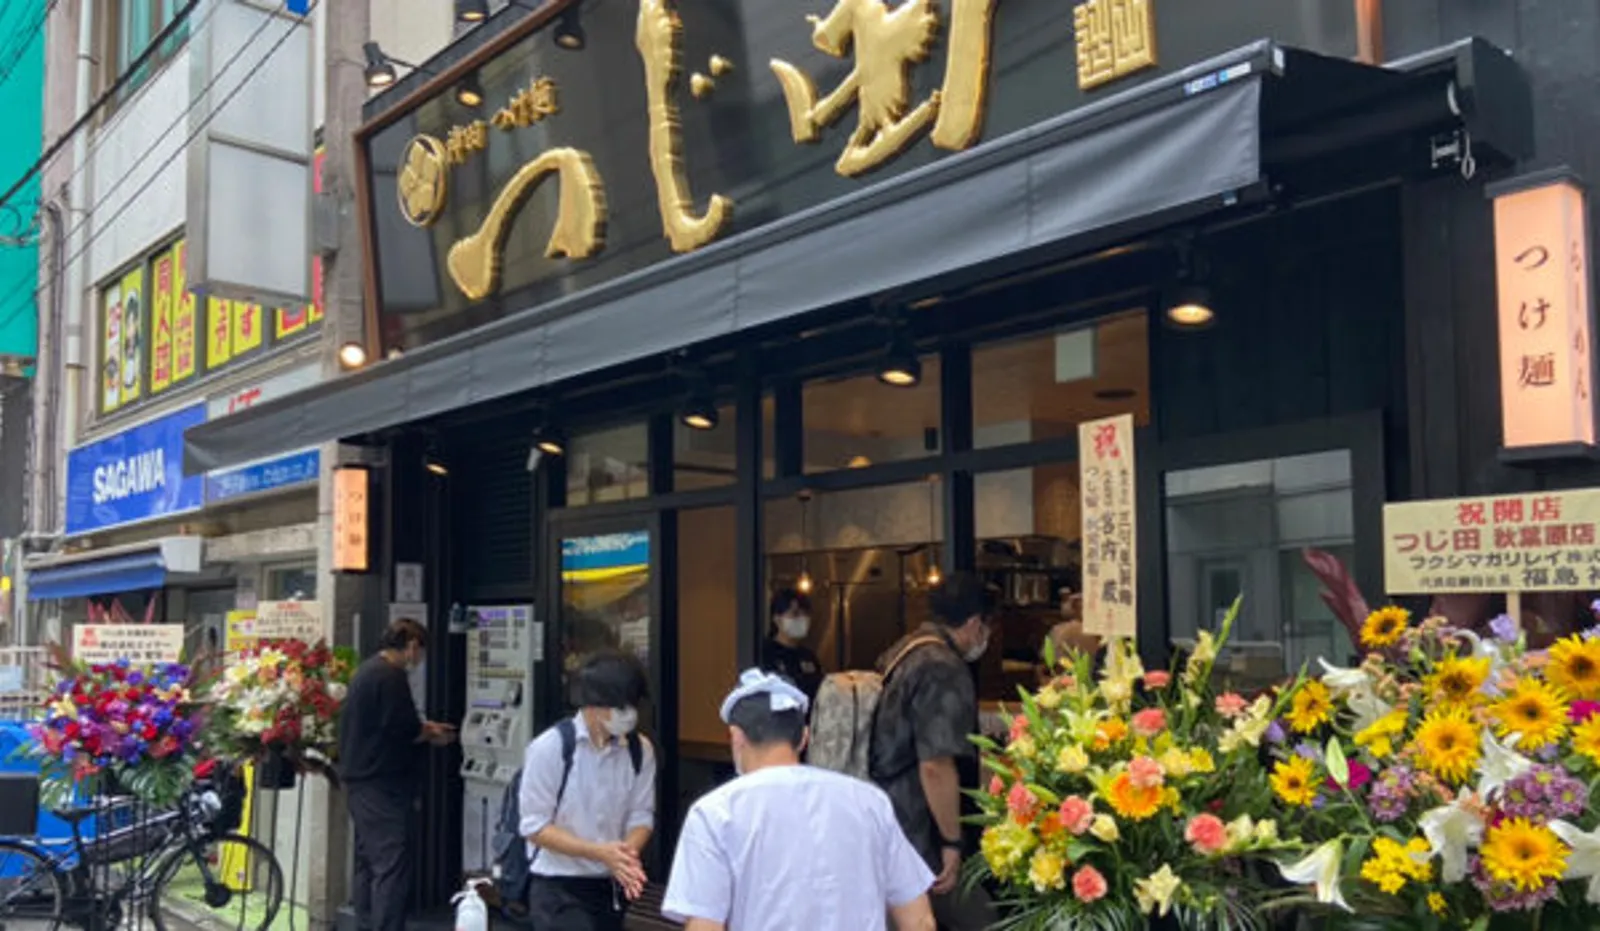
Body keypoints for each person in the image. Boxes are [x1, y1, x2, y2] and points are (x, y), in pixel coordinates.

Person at [662, 669, 936, 931]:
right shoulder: (870, 802)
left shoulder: (715, 812)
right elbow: (919, 921)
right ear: (804, 737)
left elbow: (704, 925)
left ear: (736, 737)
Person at [870, 573, 998, 931]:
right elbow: (936, 765)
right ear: (975, 624)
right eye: (988, 627)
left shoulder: (903, 650)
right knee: (980, 917)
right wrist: (952, 842)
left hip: (887, 817)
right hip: (918, 828)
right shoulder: (942, 667)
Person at [520, 650, 657, 931]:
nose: (629, 715)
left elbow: (642, 815)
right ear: (592, 704)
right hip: (558, 887)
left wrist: (625, 854)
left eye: (633, 705)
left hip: (611, 886)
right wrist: (598, 852)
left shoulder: (639, 750)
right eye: (620, 706)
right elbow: (535, 826)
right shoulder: (551, 748)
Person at [340, 618, 457, 931]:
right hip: (381, 783)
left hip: (360, 779)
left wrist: (423, 729)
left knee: (369, 859)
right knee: (392, 862)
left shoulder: (365, 671)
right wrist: (431, 733)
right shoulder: (391, 676)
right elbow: (401, 728)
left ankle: (364, 922)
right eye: (420, 651)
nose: (419, 660)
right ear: (412, 645)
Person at [762, 588, 824, 703]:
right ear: (777, 619)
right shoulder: (765, 653)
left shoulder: (809, 657)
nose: (802, 619)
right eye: (795, 614)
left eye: (806, 614)